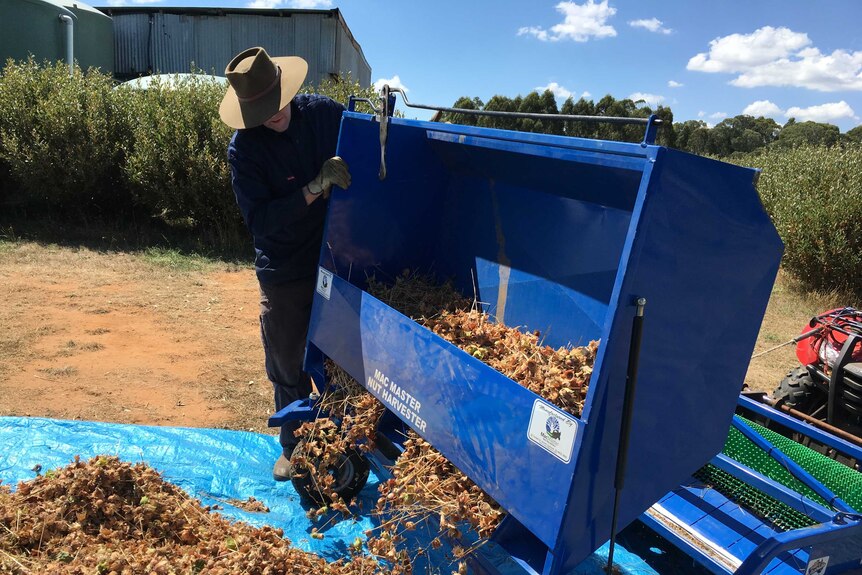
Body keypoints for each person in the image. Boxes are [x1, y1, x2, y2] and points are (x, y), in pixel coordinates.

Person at [218, 47, 351, 481]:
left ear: (286, 89)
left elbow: (365, 141)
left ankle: (345, 440)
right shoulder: (245, 150)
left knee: (343, 359)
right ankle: (293, 445)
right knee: (286, 360)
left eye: (275, 104)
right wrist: (314, 187)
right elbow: (262, 223)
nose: (271, 115)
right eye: (260, 111)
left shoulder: (325, 116)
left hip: (335, 256)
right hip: (285, 265)